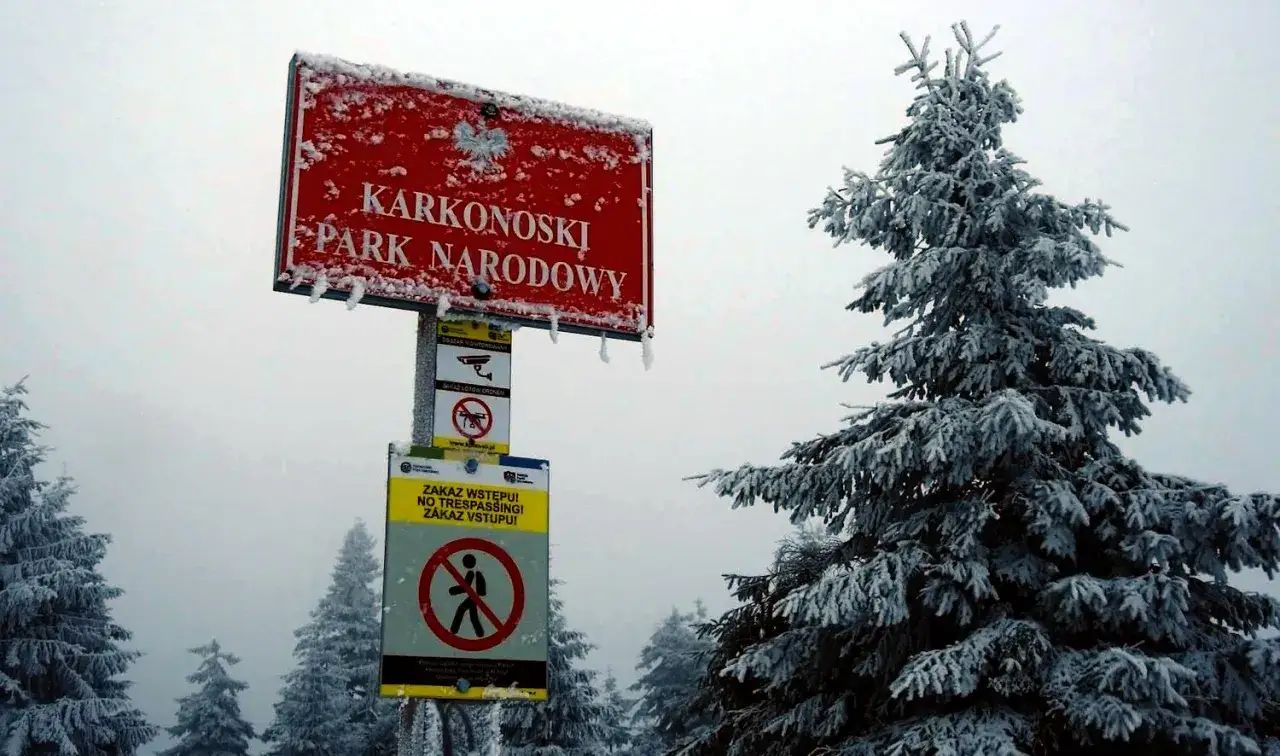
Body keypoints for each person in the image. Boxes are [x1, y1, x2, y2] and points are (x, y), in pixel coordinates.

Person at [448, 553, 487, 637]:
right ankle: (479, 633)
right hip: (475, 597)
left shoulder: (471, 573)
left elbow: (465, 587)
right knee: (473, 616)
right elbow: (468, 587)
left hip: (474, 597)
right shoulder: (477, 573)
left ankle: (454, 630)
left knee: (461, 609)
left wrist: (452, 590)